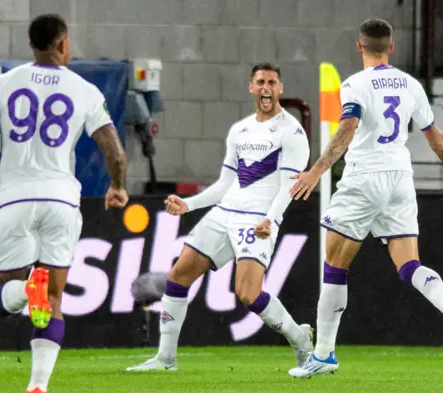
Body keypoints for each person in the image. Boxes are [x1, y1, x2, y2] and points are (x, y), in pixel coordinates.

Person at [287, 18, 443, 378]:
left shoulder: (355, 84)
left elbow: (347, 131)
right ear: (391, 47)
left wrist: (315, 171)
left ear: (359, 46)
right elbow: (437, 139)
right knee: (409, 265)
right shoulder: (411, 85)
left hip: (364, 177)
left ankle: (324, 355)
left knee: (335, 265)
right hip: (400, 179)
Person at [0, 13, 128, 393]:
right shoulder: (85, 90)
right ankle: (38, 385)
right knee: (52, 298)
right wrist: (117, 185)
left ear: (31, 44)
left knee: (0, 299)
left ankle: (25, 289)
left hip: (15, 199)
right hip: (62, 200)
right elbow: (114, 150)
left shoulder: (3, 83)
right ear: (63, 44)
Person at [125, 63, 312, 372]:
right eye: (260, 82)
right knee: (178, 276)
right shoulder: (239, 130)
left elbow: (289, 186)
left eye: (272, 82)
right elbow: (225, 184)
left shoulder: (292, 132)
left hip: (257, 219)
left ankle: (301, 340)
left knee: (248, 294)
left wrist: (271, 219)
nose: (266, 87)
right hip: (224, 213)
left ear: (279, 88)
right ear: (251, 88)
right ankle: (166, 359)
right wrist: (189, 205)